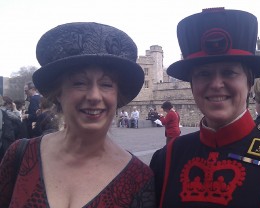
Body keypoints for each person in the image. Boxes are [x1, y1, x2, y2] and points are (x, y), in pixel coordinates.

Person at [150, 8, 260, 207]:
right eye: (204, 74)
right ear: (192, 86)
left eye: (229, 72)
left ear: (249, 83)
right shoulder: (167, 158)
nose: (216, 84)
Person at [0, 22, 156, 207]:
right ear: (59, 92)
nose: (94, 96)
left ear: (117, 96)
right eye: (80, 83)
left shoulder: (138, 178)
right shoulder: (20, 156)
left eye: (106, 84)